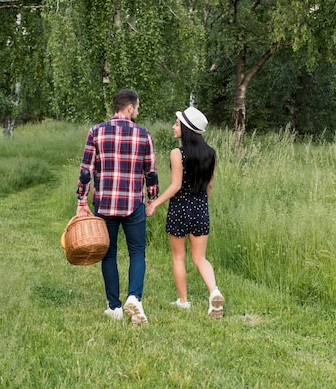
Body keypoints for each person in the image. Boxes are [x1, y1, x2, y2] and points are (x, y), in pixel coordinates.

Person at [76, 89, 159, 325]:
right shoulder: (143, 135)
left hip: (104, 204)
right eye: (138, 107)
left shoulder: (96, 131)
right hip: (133, 204)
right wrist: (152, 199)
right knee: (137, 252)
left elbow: (85, 169)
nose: (138, 111)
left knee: (109, 254)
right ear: (130, 108)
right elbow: (150, 173)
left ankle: (114, 307)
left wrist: (82, 200)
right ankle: (135, 297)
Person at [145, 106, 225, 319]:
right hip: (201, 208)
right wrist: (201, 204)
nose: (174, 126)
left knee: (179, 257)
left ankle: (183, 302)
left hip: (180, 209)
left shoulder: (176, 154)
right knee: (200, 258)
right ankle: (214, 292)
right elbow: (210, 186)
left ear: (187, 129)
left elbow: (176, 186)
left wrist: (154, 203)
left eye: (178, 124)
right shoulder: (211, 154)